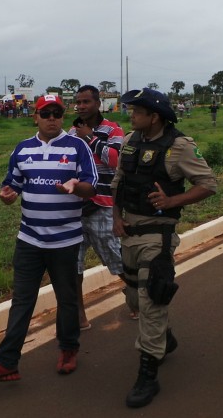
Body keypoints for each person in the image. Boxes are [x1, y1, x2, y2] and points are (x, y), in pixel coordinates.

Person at [0, 94, 98, 383]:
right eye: (46, 113)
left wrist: (75, 186)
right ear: (36, 116)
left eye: (57, 113)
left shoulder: (77, 146)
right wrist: (6, 196)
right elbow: (12, 185)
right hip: (29, 239)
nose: (52, 118)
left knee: (67, 300)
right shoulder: (23, 149)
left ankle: (68, 349)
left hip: (65, 241)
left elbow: (92, 187)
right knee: (22, 301)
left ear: (62, 116)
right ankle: (7, 362)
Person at [112, 88, 217, 408]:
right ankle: (164, 337)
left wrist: (173, 201)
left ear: (154, 116)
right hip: (129, 233)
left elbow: (208, 184)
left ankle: (148, 373)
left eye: (136, 110)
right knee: (134, 299)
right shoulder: (130, 141)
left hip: (157, 237)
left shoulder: (179, 147)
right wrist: (116, 218)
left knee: (151, 297)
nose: (131, 114)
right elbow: (118, 183)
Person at [67, 85, 130, 328]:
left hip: (103, 205)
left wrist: (90, 138)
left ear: (98, 103)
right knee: (75, 266)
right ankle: (80, 315)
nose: (81, 106)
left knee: (117, 259)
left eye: (86, 102)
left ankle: (136, 297)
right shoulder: (70, 133)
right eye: (78, 102)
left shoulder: (113, 129)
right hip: (75, 208)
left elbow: (115, 161)